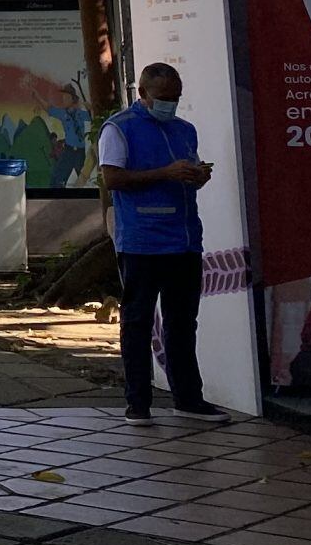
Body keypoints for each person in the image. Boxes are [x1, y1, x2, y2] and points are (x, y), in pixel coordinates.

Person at [98, 62, 228, 423]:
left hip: (184, 239)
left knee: (183, 322)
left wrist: (198, 175)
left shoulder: (185, 129)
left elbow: (190, 171)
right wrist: (165, 174)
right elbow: (113, 179)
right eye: (163, 98)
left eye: (176, 97)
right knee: (138, 322)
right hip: (142, 241)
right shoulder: (119, 128)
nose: (170, 104)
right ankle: (137, 403)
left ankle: (188, 398)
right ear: (142, 94)